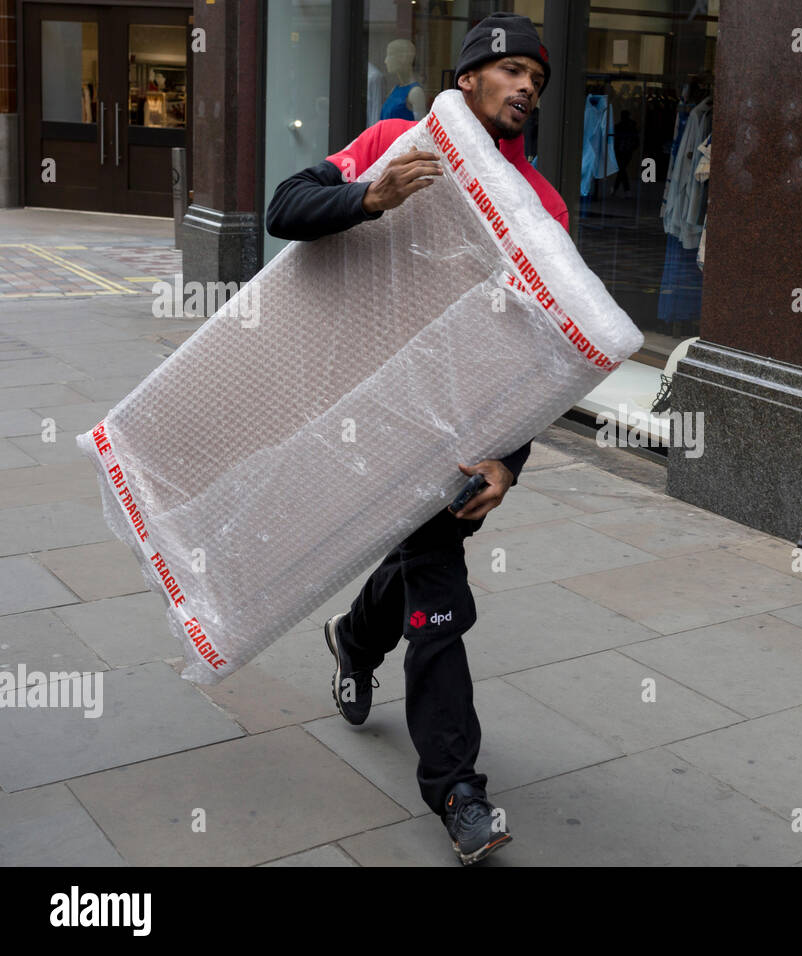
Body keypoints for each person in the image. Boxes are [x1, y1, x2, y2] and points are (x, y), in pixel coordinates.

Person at [265, 11, 562, 866]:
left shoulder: (542, 206)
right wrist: (371, 195)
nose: (525, 90)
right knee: (436, 595)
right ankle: (455, 786)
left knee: (433, 596)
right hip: (360, 412)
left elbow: (541, 358)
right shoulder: (401, 139)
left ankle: (368, 657)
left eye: (537, 82)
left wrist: (510, 461)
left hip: (459, 432)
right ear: (468, 78)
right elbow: (288, 207)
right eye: (510, 72)